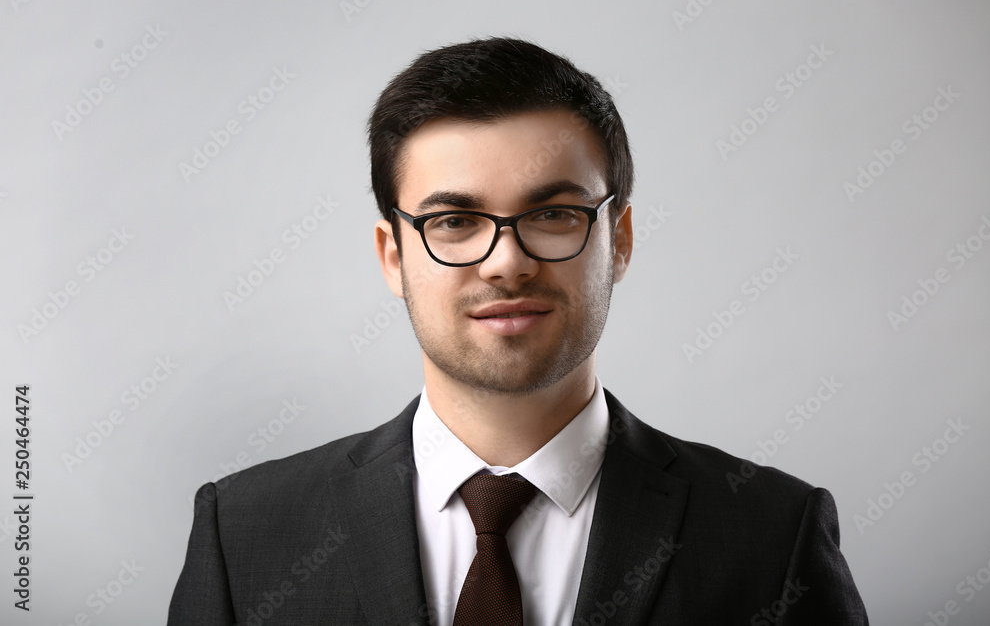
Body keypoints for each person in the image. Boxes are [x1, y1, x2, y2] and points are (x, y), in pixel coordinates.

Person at [168, 37, 868, 625]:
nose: (507, 262)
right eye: (453, 222)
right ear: (393, 255)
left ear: (618, 240)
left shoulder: (771, 534)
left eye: (554, 214)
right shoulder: (246, 533)